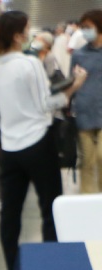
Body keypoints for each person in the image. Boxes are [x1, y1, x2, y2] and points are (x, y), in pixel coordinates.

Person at [0, 11, 87, 270]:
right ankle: (52, 267)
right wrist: (74, 86)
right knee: (50, 208)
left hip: (9, 146)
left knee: (10, 213)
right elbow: (46, 103)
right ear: (17, 36)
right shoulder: (29, 64)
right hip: (38, 141)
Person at [70, 10, 102, 193]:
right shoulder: (79, 54)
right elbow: (72, 82)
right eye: (83, 27)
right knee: (87, 161)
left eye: (88, 27)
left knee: (101, 156)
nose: (84, 31)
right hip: (84, 111)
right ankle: (87, 198)